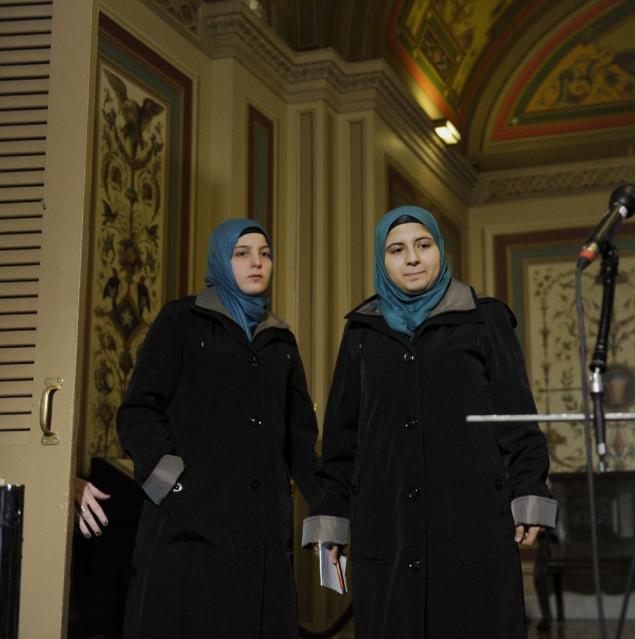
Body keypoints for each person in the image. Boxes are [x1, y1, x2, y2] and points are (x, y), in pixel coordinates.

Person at [302, 206, 556, 638]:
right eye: (397, 250)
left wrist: (530, 487)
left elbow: (517, 417)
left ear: (440, 249)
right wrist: (330, 515)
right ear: (383, 262)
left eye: (423, 245)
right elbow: (342, 438)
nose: (412, 259)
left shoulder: (485, 318)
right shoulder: (361, 332)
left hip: (473, 522)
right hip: (386, 526)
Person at [117, 219, 320, 639]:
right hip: (187, 526)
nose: (257, 263)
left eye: (264, 253)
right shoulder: (182, 320)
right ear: (221, 261)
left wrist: (329, 508)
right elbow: (139, 410)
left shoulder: (281, 341)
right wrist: (173, 486)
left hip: (260, 535)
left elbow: (300, 439)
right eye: (242, 253)